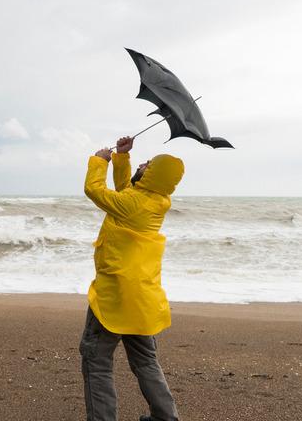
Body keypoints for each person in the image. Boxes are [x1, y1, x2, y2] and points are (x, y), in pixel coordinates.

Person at [80, 135, 184, 421]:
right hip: (143, 298)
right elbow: (127, 190)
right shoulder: (156, 200)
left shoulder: (133, 204)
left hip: (115, 296)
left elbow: (94, 190)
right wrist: (122, 158)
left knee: (96, 361)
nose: (142, 163)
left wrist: (99, 161)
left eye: (147, 165)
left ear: (152, 176)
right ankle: (166, 417)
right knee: (145, 361)